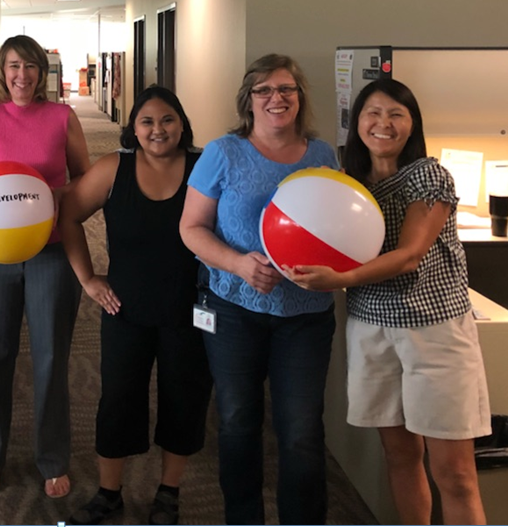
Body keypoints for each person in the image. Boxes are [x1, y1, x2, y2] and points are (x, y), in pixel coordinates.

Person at [284, 78, 490, 525]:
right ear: (356, 122)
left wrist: (341, 278)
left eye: (396, 114)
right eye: (372, 113)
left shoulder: (428, 174)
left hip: (432, 332)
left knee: (454, 473)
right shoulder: (349, 182)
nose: (383, 123)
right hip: (370, 329)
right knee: (399, 456)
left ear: (412, 124)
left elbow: (410, 255)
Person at [178, 54, 338, 525]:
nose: (276, 99)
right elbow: (191, 228)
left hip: (306, 316)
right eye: (264, 90)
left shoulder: (323, 155)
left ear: (300, 97)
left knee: (302, 432)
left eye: (286, 89)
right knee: (237, 421)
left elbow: (335, 228)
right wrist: (238, 264)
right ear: (248, 100)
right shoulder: (222, 153)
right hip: (233, 311)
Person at [60, 86, 213, 525]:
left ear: (182, 124)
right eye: (146, 122)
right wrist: (87, 279)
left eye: (167, 120)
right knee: (118, 400)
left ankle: (169, 493)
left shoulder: (204, 168)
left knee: (185, 399)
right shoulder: (115, 168)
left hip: (192, 309)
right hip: (124, 309)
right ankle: (109, 495)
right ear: (133, 128)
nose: (157, 130)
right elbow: (68, 213)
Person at [0, 34, 91, 498]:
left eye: (31, 66)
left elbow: (86, 184)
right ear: (1, 70)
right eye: (13, 66)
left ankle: (52, 458)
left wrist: (55, 197)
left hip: (52, 249)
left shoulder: (61, 117)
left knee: (51, 356)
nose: (22, 76)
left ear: (43, 72)